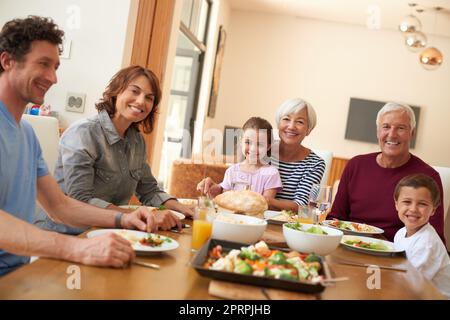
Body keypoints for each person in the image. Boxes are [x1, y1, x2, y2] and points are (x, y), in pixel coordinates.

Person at [0, 16, 157, 276]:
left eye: (55, 66)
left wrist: (123, 219)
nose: (53, 77)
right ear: (7, 61)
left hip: (17, 273)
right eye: (43, 64)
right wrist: (77, 248)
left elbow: (60, 206)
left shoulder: (26, 134)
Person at [34, 65, 193, 235]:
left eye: (149, 98)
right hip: (65, 233)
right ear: (117, 91)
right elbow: (80, 200)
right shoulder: (83, 132)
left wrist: (184, 209)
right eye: (135, 91)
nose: (141, 101)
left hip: (109, 233)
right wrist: (138, 216)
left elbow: (149, 190)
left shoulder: (137, 141)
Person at [329, 102, 445, 243]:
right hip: (348, 245)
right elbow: (335, 218)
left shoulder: (428, 177)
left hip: (397, 254)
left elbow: (434, 237)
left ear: (412, 133)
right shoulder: (356, 165)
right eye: (386, 127)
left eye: (401, 128)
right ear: (378, 132)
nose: (392, 134)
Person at [393, 174, 450, 298]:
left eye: (422, 204)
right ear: (397, 204)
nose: (413, 209)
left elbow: (411, 287)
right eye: (407, 202)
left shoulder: (426, 244)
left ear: (433, 210)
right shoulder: (400, 233)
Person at [197, 117, 282, 199]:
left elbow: (266, 204)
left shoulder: (271, 173)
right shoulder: (231, 171)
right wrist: (212, 192)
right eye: (248, 142)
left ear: (268, 147)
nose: (253, 149)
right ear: (241, 141)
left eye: (260, 144)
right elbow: (224, 201)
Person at [267, 98, 325, 212]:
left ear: (309, 130)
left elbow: (302, 206)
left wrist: (266, 201)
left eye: (300, 122)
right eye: (286, 119)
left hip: (287, 225)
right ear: (278, 124)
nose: (291, 126)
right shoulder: (262, 151)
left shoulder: (315, 164)